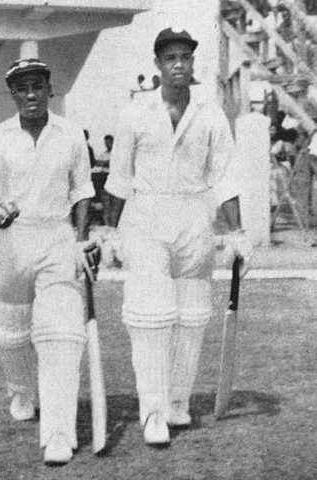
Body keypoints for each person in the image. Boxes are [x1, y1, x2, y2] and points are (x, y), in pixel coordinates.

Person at [104, 28, 253, 446]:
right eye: (171, 58)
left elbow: (225, 177)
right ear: (157, 64)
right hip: (147, 216)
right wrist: (107, 231)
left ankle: (177, 402)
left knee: (191, 317)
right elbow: (119, 179)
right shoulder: (135, 112)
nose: (179, 65)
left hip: (194, 217)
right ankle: (152, 412)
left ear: (193, 63)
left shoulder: (209, 114)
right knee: (151, 318)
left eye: (186, 57)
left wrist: (237, 232)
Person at [0, 58, 95, 465]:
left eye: (37, 86)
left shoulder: (71, 133)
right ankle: (21, 391)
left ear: (49, 90)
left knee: (61, 330)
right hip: (12, 238)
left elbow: (82, 191)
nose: (30, 94)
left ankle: (58, 432)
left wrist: (80, 241)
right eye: (22, 87)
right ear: (12, 94)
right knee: (11, 328)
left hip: (57, 237)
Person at [94, 134, 114, 226]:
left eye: (109, 143)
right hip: (103, 178)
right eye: (106, 143)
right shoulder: (104, 154)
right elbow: (98, 164)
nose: (107, 145)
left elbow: (108, 163)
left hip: (111, 178)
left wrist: (101, 163)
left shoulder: (116, 154)